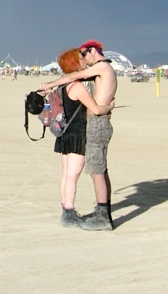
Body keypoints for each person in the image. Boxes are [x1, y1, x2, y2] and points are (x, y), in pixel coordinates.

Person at [40, 39, 117, 230]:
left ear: (92, 51)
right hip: (79, 133)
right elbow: (96, 108)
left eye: (84, 54)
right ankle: (86, 213)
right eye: (80, 56)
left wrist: (49, 85)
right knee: (90, 172)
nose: (83, 59)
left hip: (70, 134)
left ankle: (92, 213)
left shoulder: (102, 68)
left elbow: (72, 78)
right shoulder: (81, 83)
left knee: (84, 172)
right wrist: (108, 106)